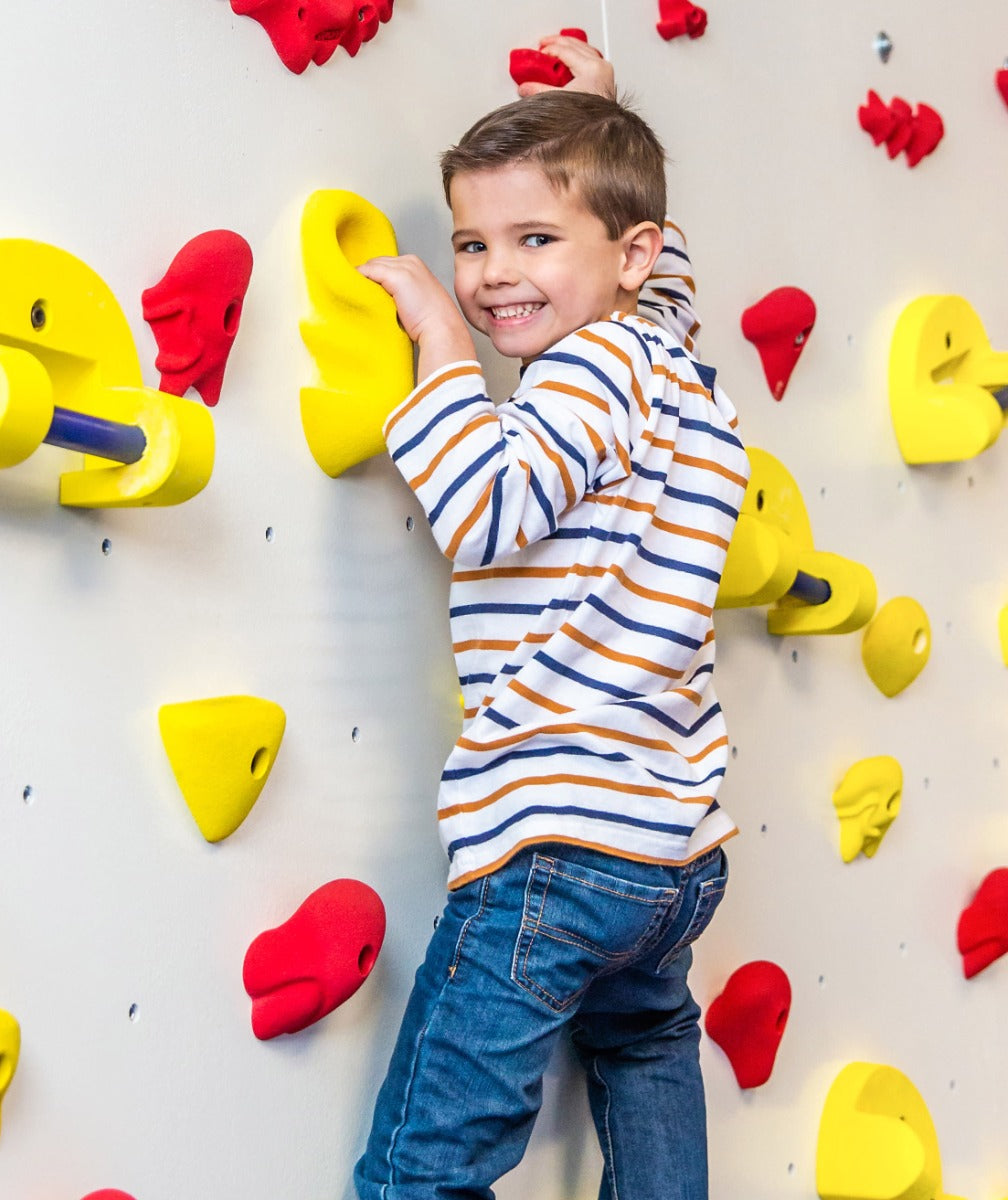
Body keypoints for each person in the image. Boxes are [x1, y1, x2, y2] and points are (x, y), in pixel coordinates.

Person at [351, 36, 749, 1200]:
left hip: (557, 842)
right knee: (645, 1043)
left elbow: (484, 507)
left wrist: (438, 342)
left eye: (533, 241)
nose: (489, 274)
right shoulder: (671, 358)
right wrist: (594, 111)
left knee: (426, 1167)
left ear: (620, 257)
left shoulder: (583, 369)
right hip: (674, 852)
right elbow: (658, 269)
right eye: (469, 243)